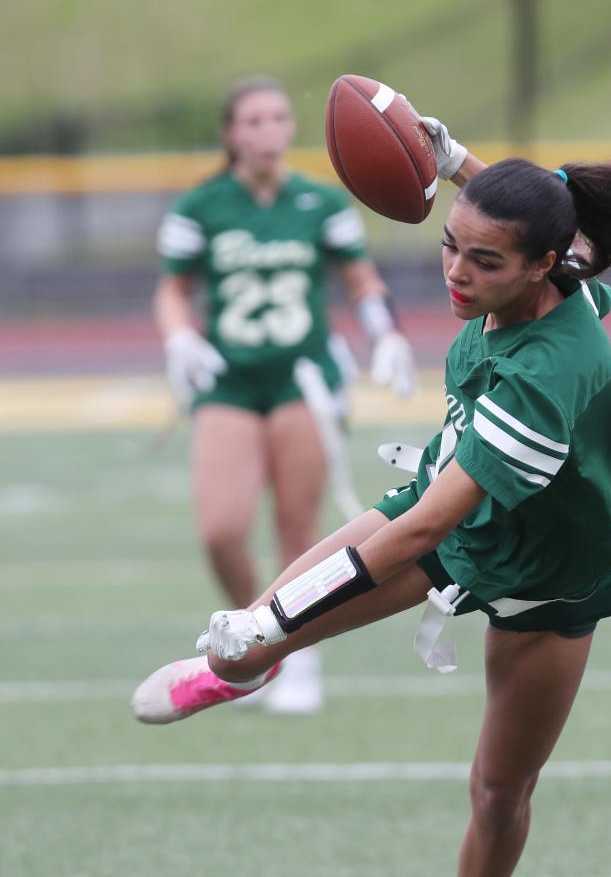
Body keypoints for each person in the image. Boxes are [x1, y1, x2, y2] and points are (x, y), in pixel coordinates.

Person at [133, 107, 611, 876]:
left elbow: (423, 532)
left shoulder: (545, 372)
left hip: (541, 577)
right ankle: (252, 669)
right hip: (450, 501)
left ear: (538, 265)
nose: (457, 273)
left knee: (496, 792)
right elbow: (516, 215)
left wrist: (281, 613)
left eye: (484, 263)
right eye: (451, 246)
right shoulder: (554, 267)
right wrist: (454, 161)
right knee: (251, 640)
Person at [153, 75, 417, 714]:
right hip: (231, 378)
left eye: (277, 118)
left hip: (304, 377)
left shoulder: (321, 204)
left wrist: (384, 332)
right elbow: (172, 289)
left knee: (299, 533)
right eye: (253, 121)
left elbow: (359, 280)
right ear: (230, 134)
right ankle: (249, 636)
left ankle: (290, 650)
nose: (268, 132)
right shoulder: (200, 207)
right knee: (221, 528)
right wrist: (178, 339)